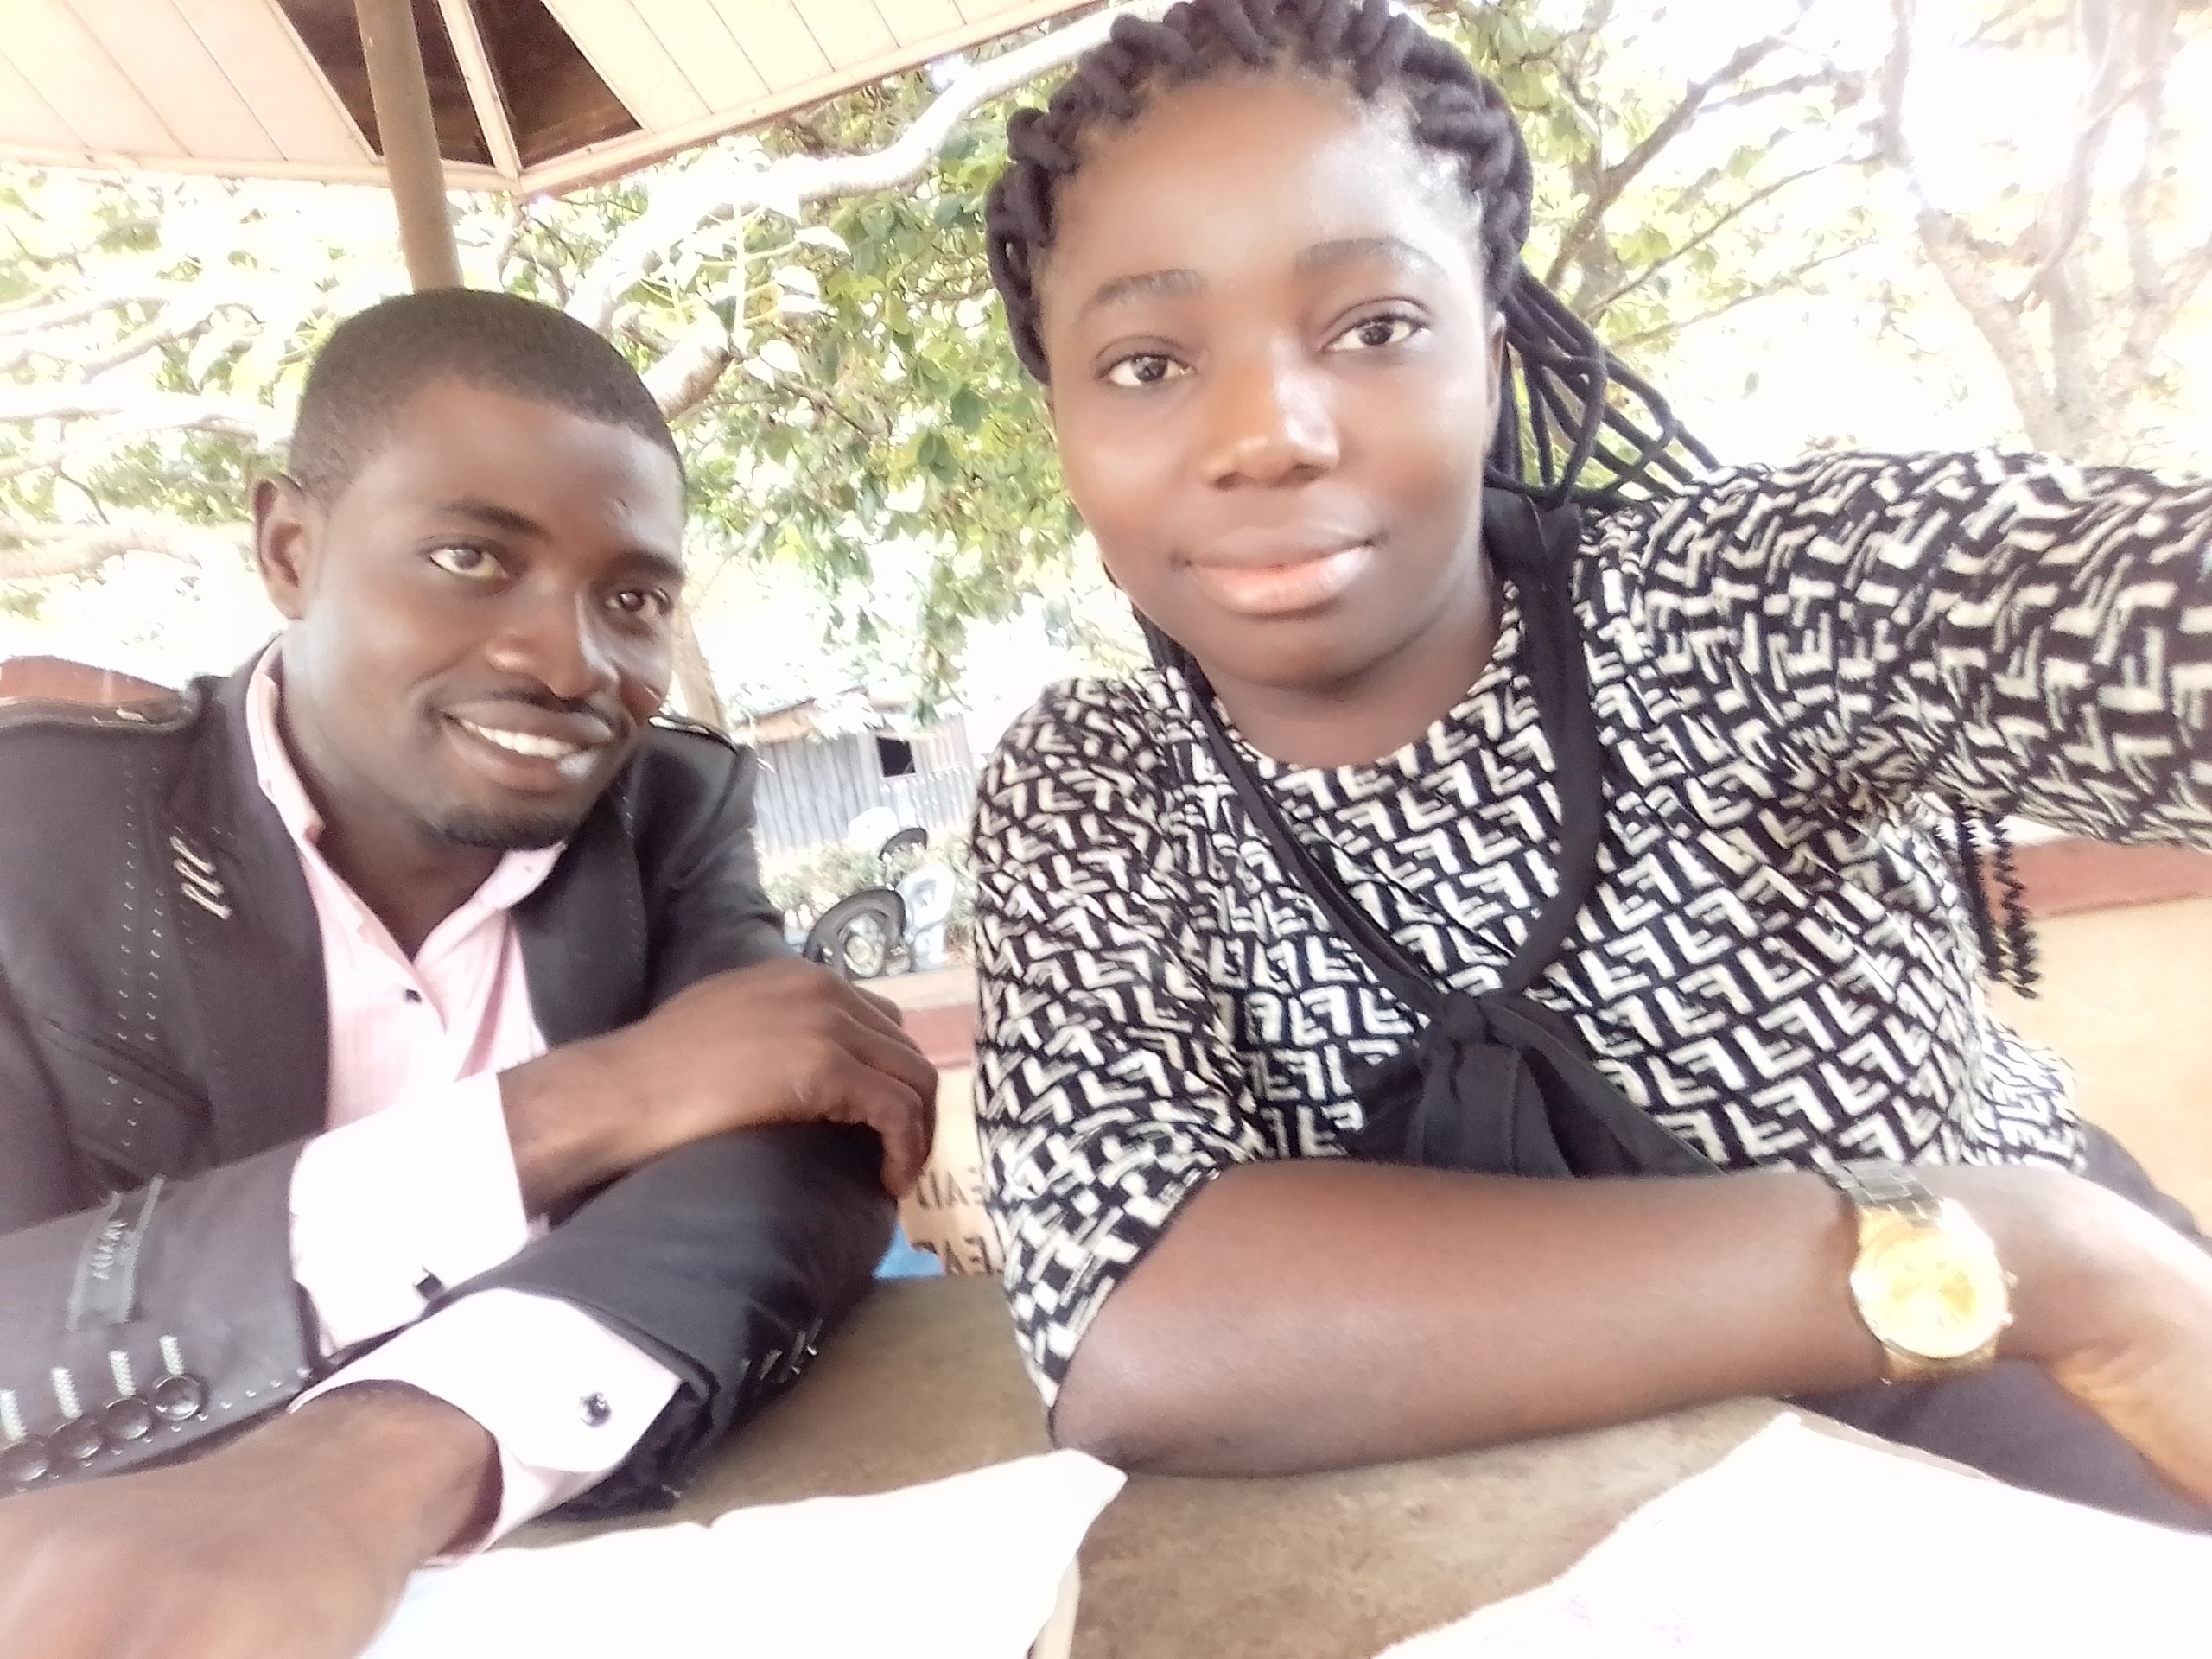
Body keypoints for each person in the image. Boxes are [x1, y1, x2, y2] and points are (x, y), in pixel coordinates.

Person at [967, 0, 2212, 1531]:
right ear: (1066, 431)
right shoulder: (1096, 787)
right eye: (1148, 362)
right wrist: (2011, 1249)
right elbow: (1137, 1332)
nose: (1269, 434)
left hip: (2059, 1456)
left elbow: (2110, 607)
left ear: (1491, 363)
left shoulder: (1741, 599)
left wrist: (2077, 1287)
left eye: (1373, 328)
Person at [0, 289, 939, 1656]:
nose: (568, 661)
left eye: (631, 598)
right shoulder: (41, 835)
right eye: (469, 558)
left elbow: (795, 1145)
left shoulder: (662, 817)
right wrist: (588, 1105)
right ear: (290, 548)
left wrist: (380, 1459)